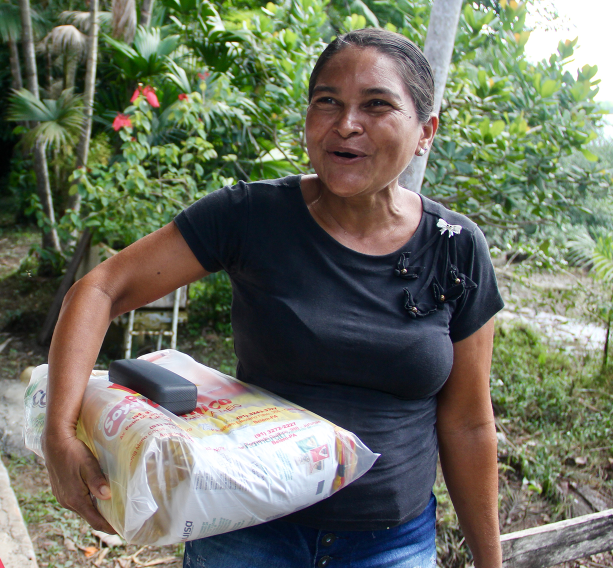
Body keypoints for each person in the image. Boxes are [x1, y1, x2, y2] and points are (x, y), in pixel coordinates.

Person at [43, 28, 504, 568]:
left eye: (376, 105)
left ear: (425, 131)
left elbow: (469, 423)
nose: (346, 123)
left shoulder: (455, 248)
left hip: (391, 544)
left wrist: (488, 562)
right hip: (246, 533)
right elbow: (102, 287)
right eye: (327, 101)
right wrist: (58, 433)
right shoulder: (253, 216)